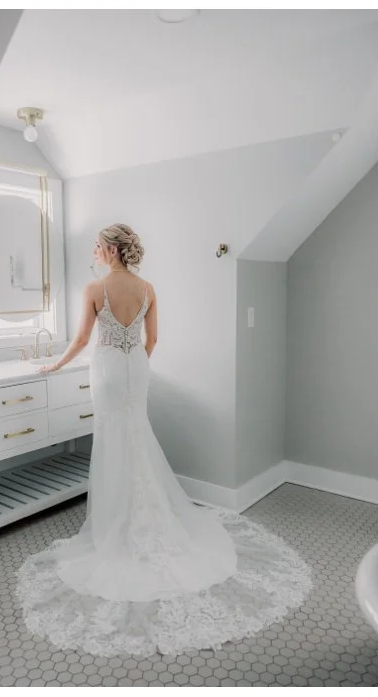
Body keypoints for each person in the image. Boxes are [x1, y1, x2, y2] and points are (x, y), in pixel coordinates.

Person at [20, 223, 311, 656]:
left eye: (98, 247)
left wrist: (56, 366)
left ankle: (114, 524)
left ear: (113, 251)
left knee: (112, 439)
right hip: (136, 367)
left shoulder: (94, 289)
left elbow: (82, 339)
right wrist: (134, 363)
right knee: (136, 434)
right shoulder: (148, 287)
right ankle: (145, 514)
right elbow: (152, 339)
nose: (95, 253)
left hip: (106, 369)